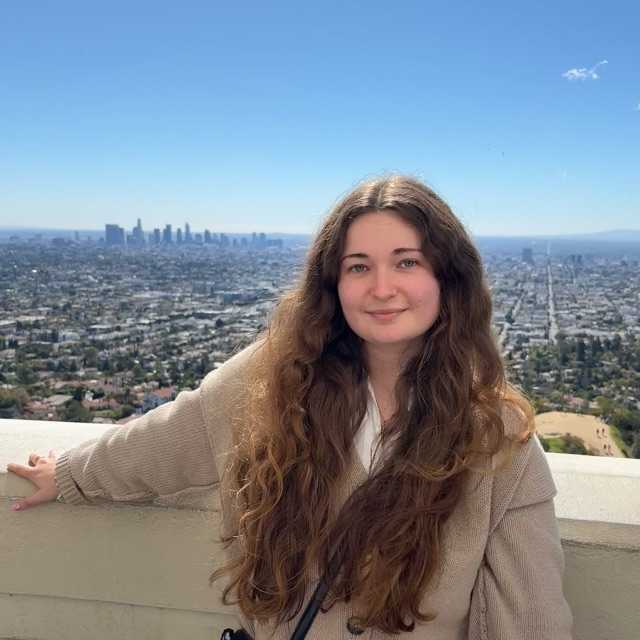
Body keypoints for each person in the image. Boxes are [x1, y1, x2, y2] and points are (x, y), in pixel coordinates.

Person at [7, 175, 573, 639]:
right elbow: (172, 436)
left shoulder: (498, 442)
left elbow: (530, 618)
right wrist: (71, 474)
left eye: (407, 262)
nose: (382, 288)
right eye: (358, 266)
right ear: (333, 284)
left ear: (448, 278)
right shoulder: (272, 380)